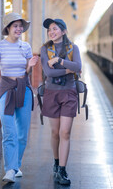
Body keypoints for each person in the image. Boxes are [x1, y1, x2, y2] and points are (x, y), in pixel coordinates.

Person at [0, 12, 38, 183]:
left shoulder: (26, 47)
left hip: (24, 88)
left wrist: (30, 65)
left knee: (22, 133)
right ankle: (10, 169)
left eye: (21, 26)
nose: (19, 29)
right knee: (9, 131)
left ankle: (16, 165)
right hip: (6, 89)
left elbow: (27, 71)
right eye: (15, 26)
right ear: (8, 28)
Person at [40, 18, 82, 185]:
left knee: (65, 132)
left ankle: (62, 171)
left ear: (63, 31)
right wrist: (67, 69)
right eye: (50, 29)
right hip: (52, 93)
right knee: (55, 133)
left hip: (69, 93)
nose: (52, 32)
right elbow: (48, 73)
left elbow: (78, 66)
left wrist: (59, 61)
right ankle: (56, 163)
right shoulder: (45, 49)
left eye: (55, 28)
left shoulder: (74, 48)